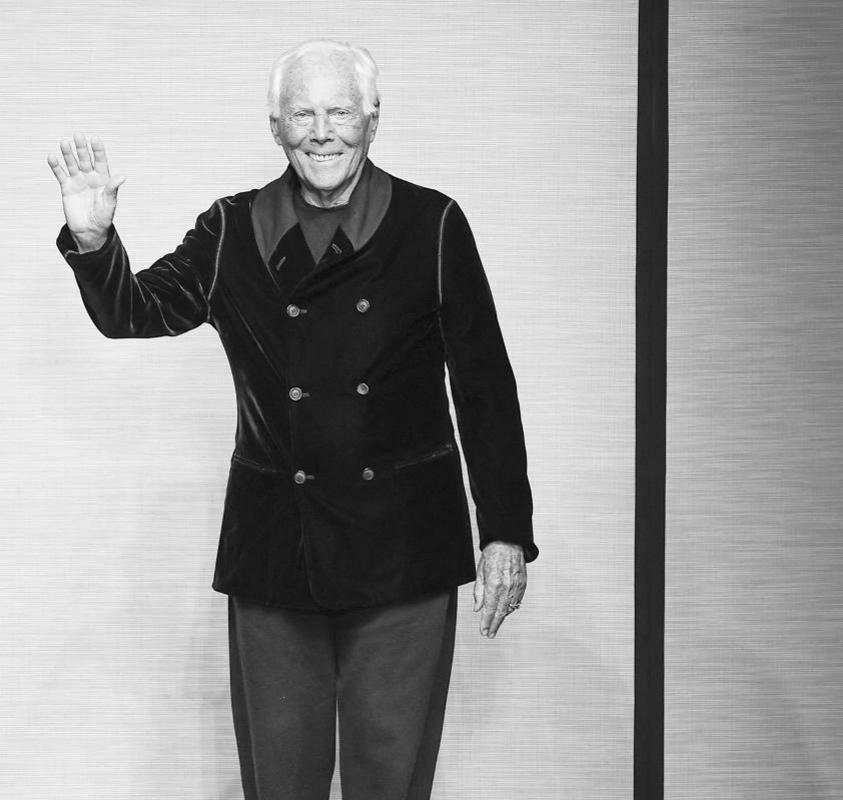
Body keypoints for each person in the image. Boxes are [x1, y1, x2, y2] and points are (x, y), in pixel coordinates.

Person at [47, 39, 537, 800]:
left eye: (340, 111)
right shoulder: (231, 228)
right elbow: (134, 312)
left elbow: (484, 385)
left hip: (404, 549)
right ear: (274, 126)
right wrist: (93, 241)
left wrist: (503, 528)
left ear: (373, 119)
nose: (322, 132)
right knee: (279, 782)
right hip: (277, 548)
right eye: (302, 114)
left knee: (391, 780)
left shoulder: (433, 223)